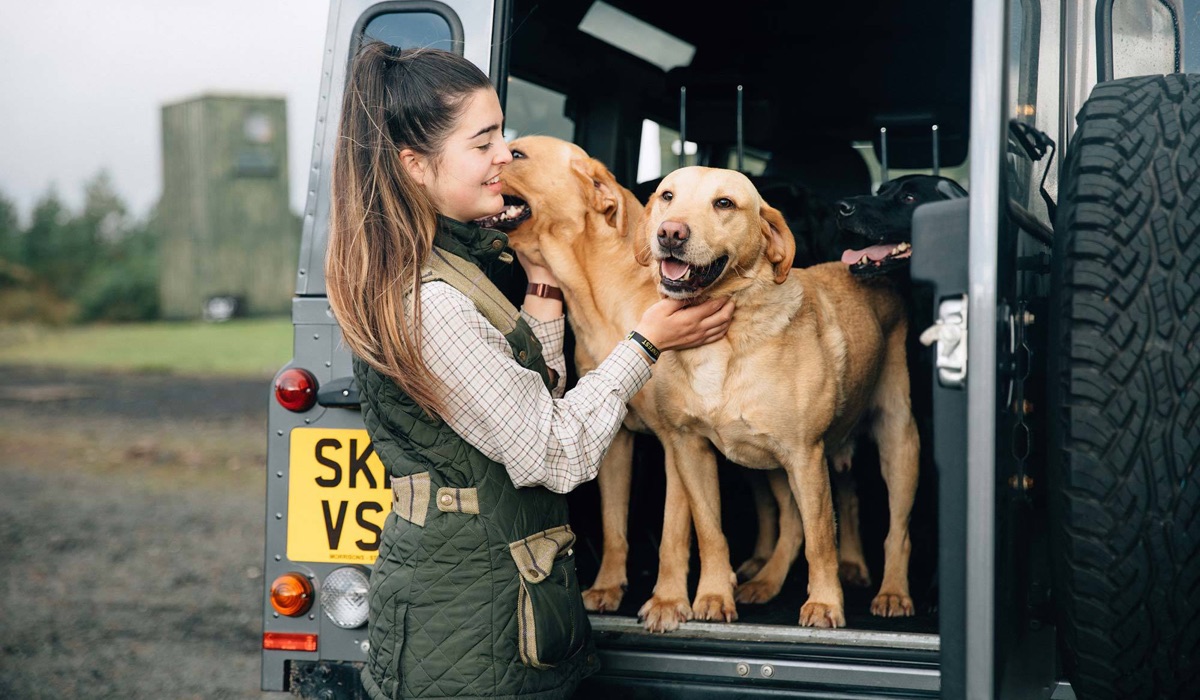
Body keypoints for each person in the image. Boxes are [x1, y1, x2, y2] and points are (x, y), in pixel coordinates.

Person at [325, 41, 734, 700]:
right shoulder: (432, 303)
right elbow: (554, 452)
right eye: (484, 143)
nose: (502, 160)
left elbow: (525, 395)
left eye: (506, 141)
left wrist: (542, 286)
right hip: (468, 633)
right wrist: (646, 342)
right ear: (416, 166)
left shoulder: (458, 264)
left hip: (504, 607)